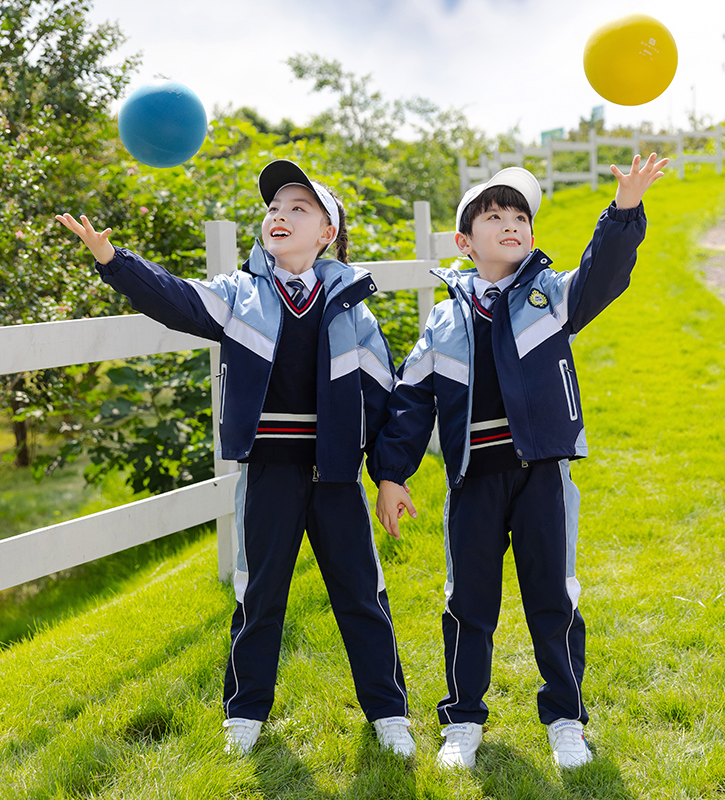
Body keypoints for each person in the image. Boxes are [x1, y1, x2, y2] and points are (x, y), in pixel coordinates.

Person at [56, 160, 415, 757]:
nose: (280, 215)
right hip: (268, 470)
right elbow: (175, 299)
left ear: (327, 232)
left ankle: (389, 711)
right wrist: (113, 261)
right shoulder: (239, 294)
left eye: (299, 208)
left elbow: (383, 400)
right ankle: (245, 713)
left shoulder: (353, 307)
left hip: (336, 477)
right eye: (274, 208)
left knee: (361, 592)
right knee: (259, 592)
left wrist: (389, 475)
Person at [372, 153, 669, 769]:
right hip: (472, 481)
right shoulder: (444, 319)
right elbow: (410, 402)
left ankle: (565, 718)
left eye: (519, 217)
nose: (510, 223)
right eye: (493, 216)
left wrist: (624, 212)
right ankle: (463, 721)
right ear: (464, 240)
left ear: (531, 236)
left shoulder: (550, 295)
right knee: (467, 601)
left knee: (553, 598)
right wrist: (392, 475)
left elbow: (602, 275)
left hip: (542, 476)